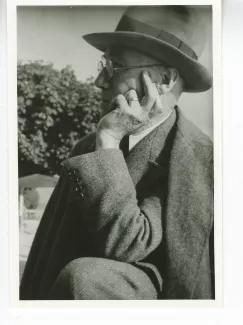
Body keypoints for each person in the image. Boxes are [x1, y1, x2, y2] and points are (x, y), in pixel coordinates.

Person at [20, 5, 214, 300]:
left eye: (116, 67)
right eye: (103, 65)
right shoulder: (87, 146)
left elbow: (128, 244)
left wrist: (109, 138)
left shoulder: (198, 159)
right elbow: (47, 258)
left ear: (163, 81)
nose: (99, 82)